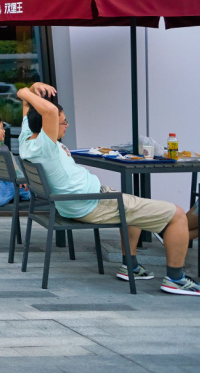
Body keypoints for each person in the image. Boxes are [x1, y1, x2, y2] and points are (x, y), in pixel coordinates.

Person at [19, 82, 200, 295]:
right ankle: (175, 279)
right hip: (90, 203)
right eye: (64, 121)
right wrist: (23, 91)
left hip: (77, 202)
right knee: (177, 214)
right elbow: (49, 110)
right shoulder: (45, 145)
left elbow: (31, 111)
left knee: (132, 204)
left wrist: (32, 88)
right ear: (47, 125)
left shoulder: (27, 140)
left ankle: (131, 266)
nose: (67, 125)